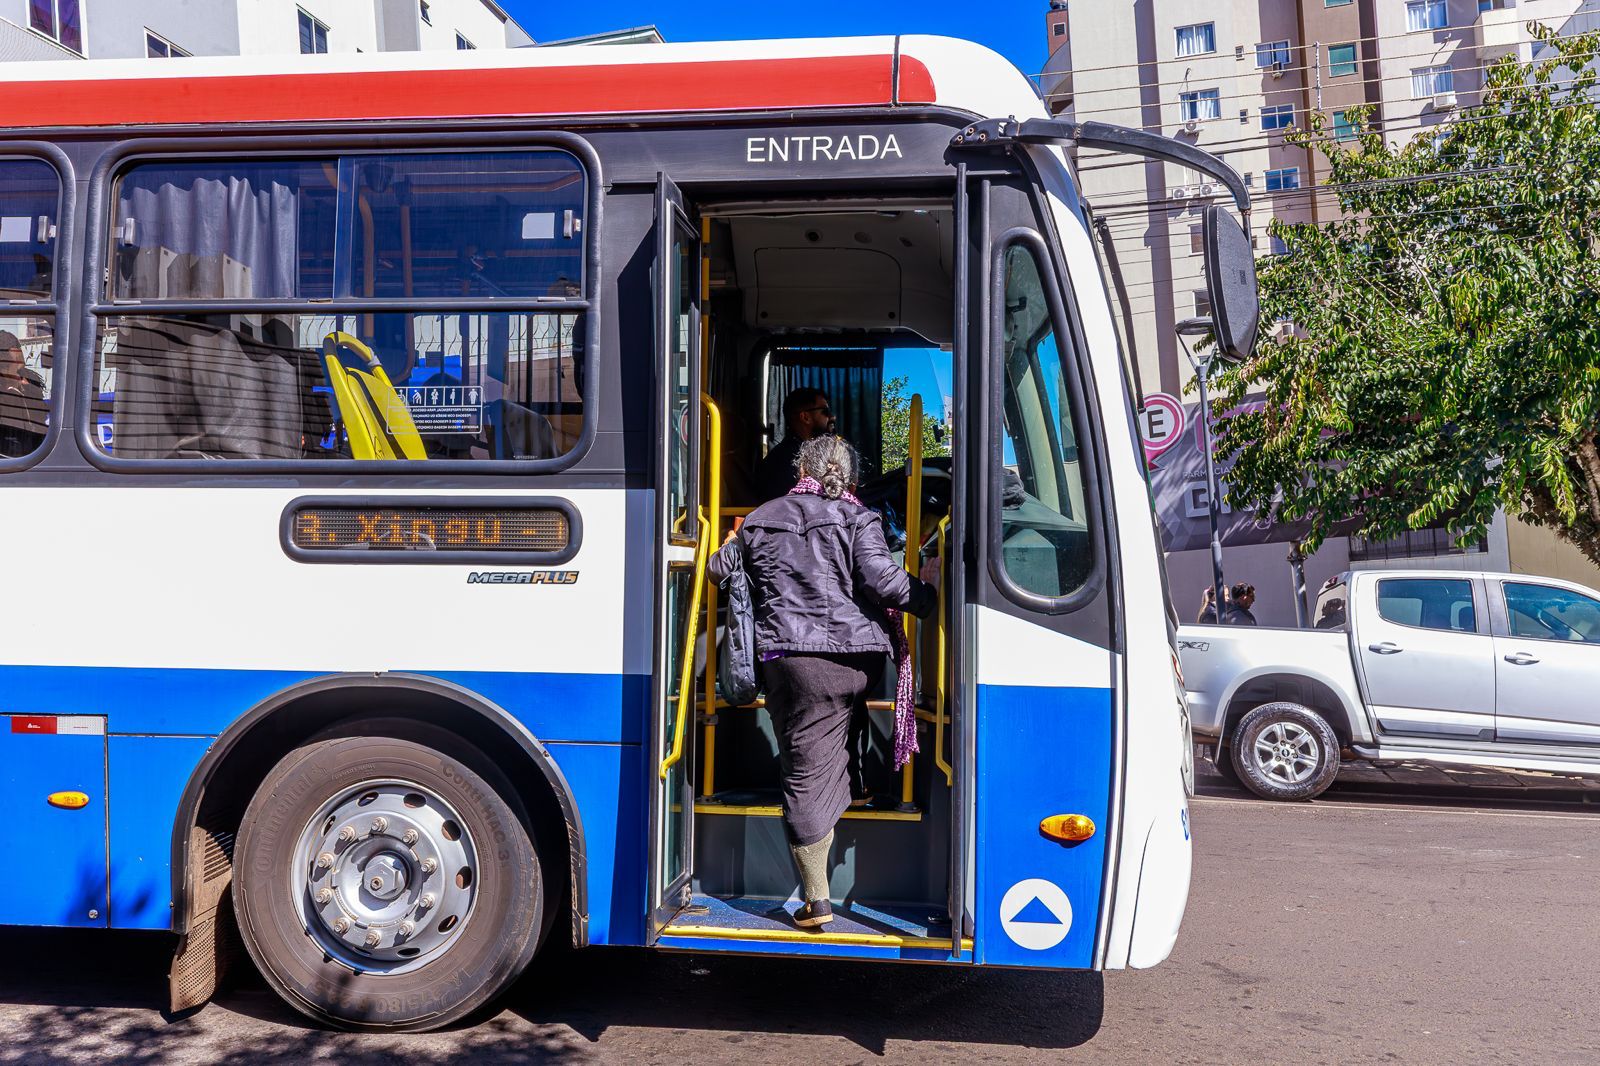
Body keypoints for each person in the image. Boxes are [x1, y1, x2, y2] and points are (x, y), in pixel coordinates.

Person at [709, 435, 936, 929]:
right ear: (850, 476)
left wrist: (729, 543)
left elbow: (718, 571)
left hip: (791, 657)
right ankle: (852, 790)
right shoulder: (858, 517)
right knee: (841, 723)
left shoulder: (762, 517)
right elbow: (883, 582)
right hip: (859, 659)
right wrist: (932, 598)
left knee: (803, 771)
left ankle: (817, 903)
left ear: (800, 470)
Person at [755, 387, 835, 502]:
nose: (832, 417)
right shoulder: (784, 461)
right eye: (825, 411)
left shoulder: (802, 453)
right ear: (805, 417)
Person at [0, 330, 46, 457]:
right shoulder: (7, 396)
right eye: (16, 370)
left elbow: (39, 423)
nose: (24, 380)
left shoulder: (31, 384)